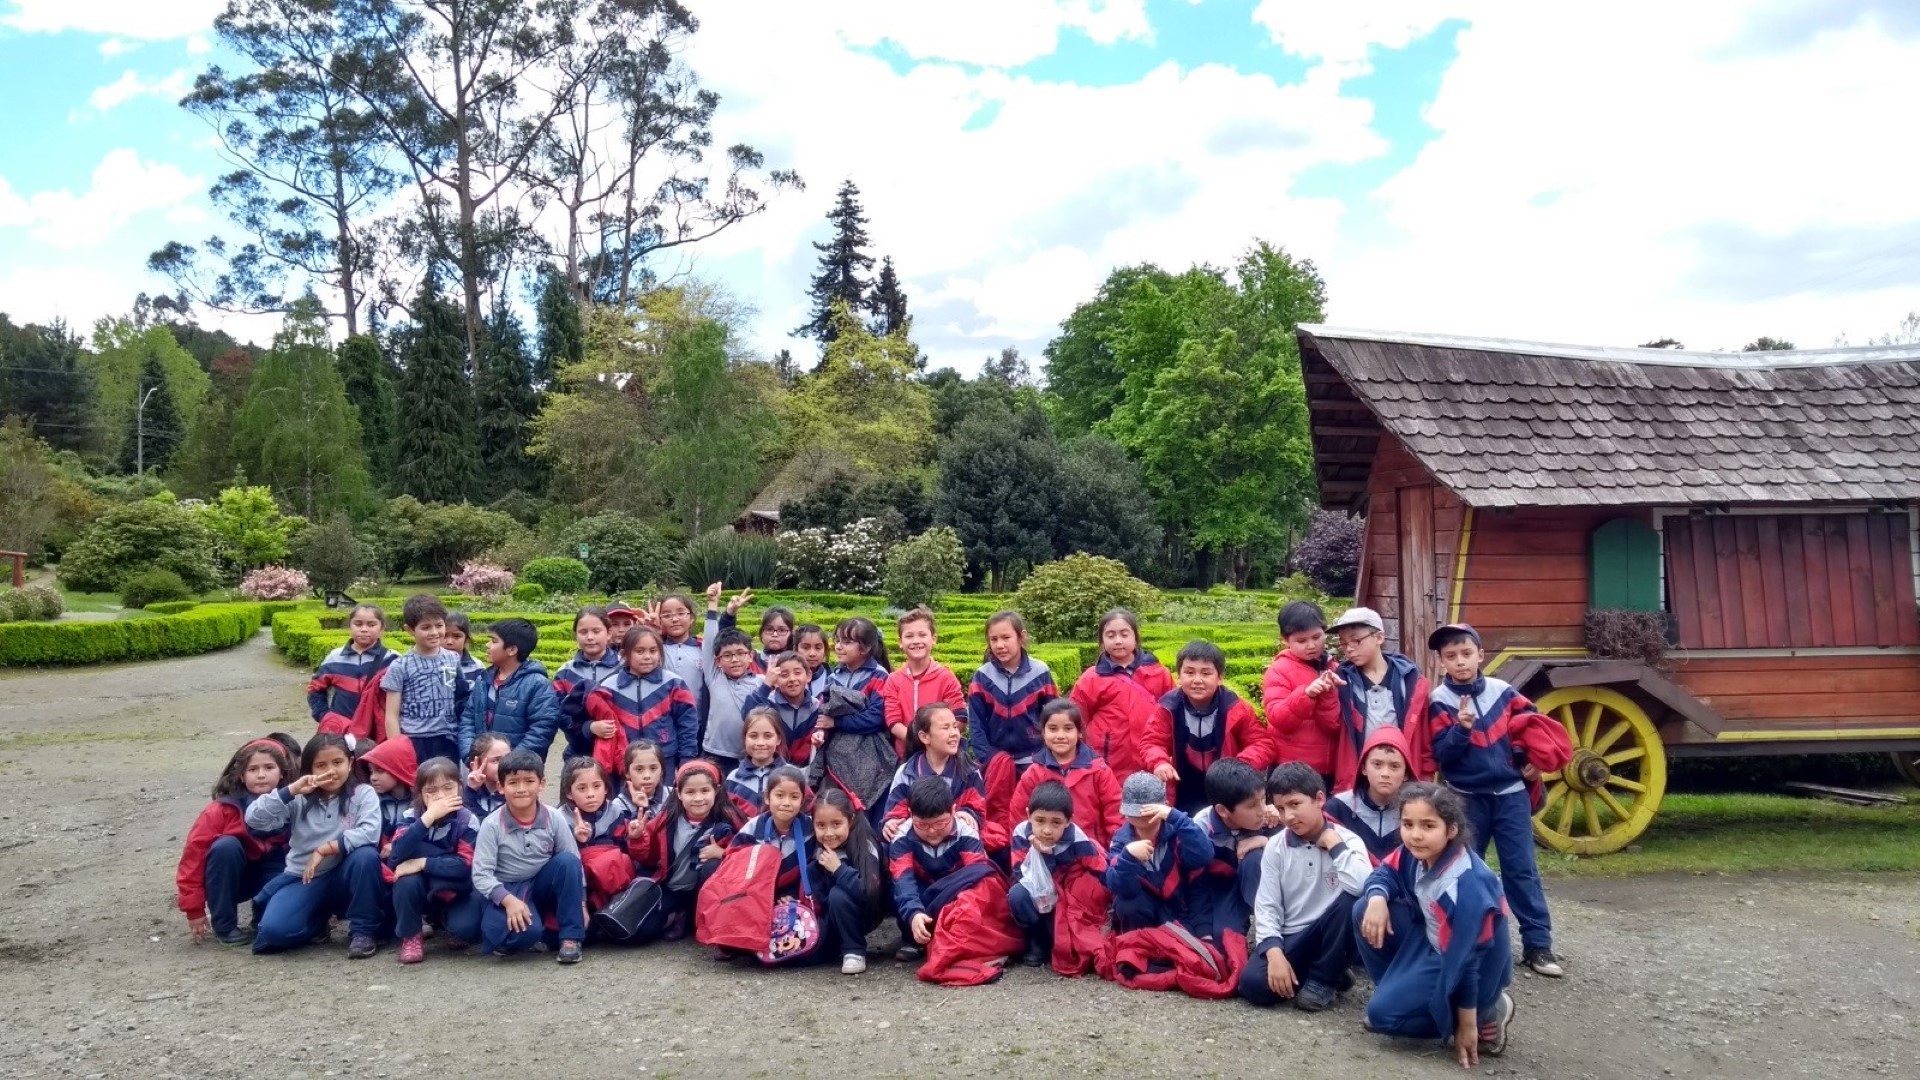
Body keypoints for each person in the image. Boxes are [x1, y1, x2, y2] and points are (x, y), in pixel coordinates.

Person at [1428, 623, 1571, 978]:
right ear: (1441, 662)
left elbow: (1529, 728)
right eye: (1451, 656)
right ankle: (1469, 943)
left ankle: (1538, 945)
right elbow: (1442, 755)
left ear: (1480, 654)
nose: (1460, 662)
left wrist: (1531, 761)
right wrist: (1461, 729)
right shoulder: (1439, 701)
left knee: (1522, 870)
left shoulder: (1504, 692)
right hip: (1466, 799)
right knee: (1466, 873)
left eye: (1466, 653)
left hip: (1511, 796)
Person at [1356, 783, 1516, 1067]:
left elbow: (1469, 961)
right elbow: (1386, 872)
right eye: (1408, 824)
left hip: (1472, 965)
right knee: (1363, 910)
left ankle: (1487, 1011)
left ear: (1451, 830)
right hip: (1435, 941)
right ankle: (1397, 993)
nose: (1415, 834)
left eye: (1428, 826)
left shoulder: (1465, 883)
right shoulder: (1416, 852)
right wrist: (1377, 898)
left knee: (1382, 1017)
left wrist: (1467, 1023)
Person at [1239, 763, 1370, 1011]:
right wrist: (1274, 952)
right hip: (1294, 936)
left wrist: (1336, 848)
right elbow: (1267, 905)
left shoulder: (1349, 841)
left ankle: (1324, 980)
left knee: (1353, 900)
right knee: (1253, 985)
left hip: (1332, 932)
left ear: (1319, 799)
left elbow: (1364, 886)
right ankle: (1332, 970)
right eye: (1281, 808)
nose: (1288, 816)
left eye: (1295, 804)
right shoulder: (1276, 847)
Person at [245, 733, 385, 956]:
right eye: (321, 765)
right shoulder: (298, 797)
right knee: (274, 932)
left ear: (350, 763)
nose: (331, 771)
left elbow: (369, 833)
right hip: (305, 877)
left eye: (338, 762)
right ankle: (317, 922)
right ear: (309, 768)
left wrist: (326, 848)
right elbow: (254, 819)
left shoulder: (363, 793)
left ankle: (363, 931)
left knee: (366, 856)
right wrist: (290, 791)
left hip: (346, 875)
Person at [727, 768, 868, 971]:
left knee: (814, 945)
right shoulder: (754, 827)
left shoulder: (813, 827)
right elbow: (737, 865)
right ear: (767, 797)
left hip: (802, 900)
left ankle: (841, 946)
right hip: (760, 896)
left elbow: (815, 874)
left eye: (794, 797)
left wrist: (793, 896)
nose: (786, 803)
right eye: (779, 795)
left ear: (803, 801)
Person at [470, 748, 586, 963]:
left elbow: (573, 860)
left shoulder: (554, 817)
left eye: (529, 781)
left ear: (542, 784)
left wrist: (582, 903)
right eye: (513, 783)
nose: (521, 789)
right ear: (501, 787)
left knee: (568, 861)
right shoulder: (492, 824)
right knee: (522, 935)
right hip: (508, 887)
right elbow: (481, 875)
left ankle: (571, 937)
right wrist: (508, 901)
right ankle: (535, 932)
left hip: (542, 883)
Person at [176, 738, 293, 945]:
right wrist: (193, 908)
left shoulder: (295, 803)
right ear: (241, 775)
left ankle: (262, 918)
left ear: (282, 772)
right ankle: (224, 925)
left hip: (273, 874)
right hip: (230, 878)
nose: (261, 775)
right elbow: (193, 857)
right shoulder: (220, 810)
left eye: (269, 767)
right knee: (226, 846)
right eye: (252, 769)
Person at [1142, 641, 1274, 815]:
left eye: (1206, 673)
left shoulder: (1236, 708)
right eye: (1189, 672)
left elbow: (1262, 744)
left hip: (1226, 789)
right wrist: (1159, 762)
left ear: (1220, 678)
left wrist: (1237, 766)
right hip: (1182, 789)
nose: (1197, 680)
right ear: (1179, 676)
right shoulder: (1168, 707)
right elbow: (1151, 741)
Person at [627, 760, 743, 942]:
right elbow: (647, 858)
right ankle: (679, 915)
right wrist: (637, 838)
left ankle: (701, 918)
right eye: (690, 792)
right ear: (678, 793)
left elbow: (748, 854)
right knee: (640, 933)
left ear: (717, 790)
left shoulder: (729, 820)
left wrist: (722, 853)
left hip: (705, 891)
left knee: (712, 865)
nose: (698, 798)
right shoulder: (666, 819)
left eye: (705, 791)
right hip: (672, 887)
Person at [968, 610, 1058, 835]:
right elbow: (976, 724)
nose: (1000, 645)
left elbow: (1053, 716)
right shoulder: (982, 677)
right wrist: (988, 757)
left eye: (1006, 637)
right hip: (995, 764)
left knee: (1032, 817)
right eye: (993, 639)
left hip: (1033, 760)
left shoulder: (1040, 672)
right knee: (997, 820)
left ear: (1021, 636)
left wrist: (1045, 754)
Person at [888, 776, 996, 963]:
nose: (931, 831)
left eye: (940, 823)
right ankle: (911, 938)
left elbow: (977, 875)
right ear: (910, 814)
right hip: (922, 891)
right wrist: (913, 913)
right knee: (894, 889)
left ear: (953, 811)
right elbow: (903, 880)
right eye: (922, 824)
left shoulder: (966, 832)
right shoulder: (902, 837)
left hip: (956, 890)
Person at [387, 755, 483, 964]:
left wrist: (422, 862)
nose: (440, 796)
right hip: (420, 887)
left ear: (459, 788)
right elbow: (396, 856)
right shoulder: (411, 816)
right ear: (420, 794)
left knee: (466, 929)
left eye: (448, 788)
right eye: (431, 791)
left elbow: (465, 866)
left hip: (455, 888)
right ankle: (411, 935)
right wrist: (427, 818)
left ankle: (446, 922)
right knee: (405, 880)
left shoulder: (467, 820)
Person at [1009, 779, 1108, 973]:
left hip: (1065, 896)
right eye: (1040, 821)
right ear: (1029, 815)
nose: (1047, 830)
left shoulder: (1077, 838)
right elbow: (1019, 872)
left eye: (1056, 823)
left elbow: (1098, 870)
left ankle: (1055, 938)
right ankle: (1037, 939)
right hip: (1037, 892)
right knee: (1017, 895)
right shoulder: (1021, 833)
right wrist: (1039, 853)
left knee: (1070, 945)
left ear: (1069, 820)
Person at [1328, 607, 1432, 790]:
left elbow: (1424, 736)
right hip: (1358, 779)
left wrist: (1425, 778)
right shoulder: (1341, 681)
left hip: (1402, 778)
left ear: (1379, 637)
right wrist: (1325, 695)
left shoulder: (1409, 680)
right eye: (1343, 643)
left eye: (1356, 641)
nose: (1349, 649)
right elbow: (1331, 726)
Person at [1105, 771, 1215, 938]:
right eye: (1135, 810)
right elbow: (1119, 888)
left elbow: (1204, 856)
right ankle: (1139, 947)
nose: (1142, 814)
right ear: (1124, 811)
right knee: (1126, 904)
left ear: (1165, 806)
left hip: (1183, 915)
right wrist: (1128, 857)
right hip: (1145, 916)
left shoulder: (1180, 831)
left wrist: (1175, 817)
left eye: (1148, 809)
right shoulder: (1120, 841)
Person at [1070, 608, 1173, 780]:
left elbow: (1172, 715)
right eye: (1110, 635)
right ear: (1102, 640)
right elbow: (1076, 719)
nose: (1118, 641)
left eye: (1124, 634)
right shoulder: (1091, 678)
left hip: (1152, 761)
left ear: (1135, 637)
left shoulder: (1158, 672)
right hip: (1108, 765)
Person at [587, 624, 698, 782]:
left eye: (653, 651)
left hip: (664, 760)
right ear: (624, 654)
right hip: (624, 763)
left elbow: (688, 723)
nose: (647, 657)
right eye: (640, 651)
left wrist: (686, 759)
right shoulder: (608, 687)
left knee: (663, 797)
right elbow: (589, 719)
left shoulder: (673, 683)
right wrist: (591, 727)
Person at [1009, 699, 1122, 849]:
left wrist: (1116, 851)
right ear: (1043, 732)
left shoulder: (1099, 771)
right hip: (1045, 851)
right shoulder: (1033, 774)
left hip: (1091, 852)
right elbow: (1018, 817)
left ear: (1079, 732)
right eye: (1053, 729)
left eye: (1068, 728)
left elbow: (1116, 815)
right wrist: (1030, 841)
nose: (1060, 735)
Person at [812, 617, 893, 821]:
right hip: (837, 755)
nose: (838, 646)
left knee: (864, 812)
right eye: (837, 640)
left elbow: (876, 718)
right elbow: (824, 711)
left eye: (847, 642)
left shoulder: (879, 676)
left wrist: (838, 723)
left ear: (865, 648)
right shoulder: (834, 676)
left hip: (869, 756)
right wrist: (820, 732)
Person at [1190, 758, 1277, 947]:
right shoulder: (1201, 828)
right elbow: (1196, 882)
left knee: (1255, 858)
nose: (1262, 810)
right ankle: (1239, 922)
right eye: (1252, 805)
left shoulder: (1271, 816)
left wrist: (1268, 841)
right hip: (1219, 889)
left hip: (1262, 886)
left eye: (1263, 799)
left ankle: (1270, 925)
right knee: (1221, 939)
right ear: (1223, 810)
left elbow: (1304, 848)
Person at [880, 703, 989, 845]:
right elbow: (895, 810)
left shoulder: (969, 771)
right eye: (945, 728)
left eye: (955, 726)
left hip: (958, 843)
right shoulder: (907, 772)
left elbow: (978, 808)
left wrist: (969, 814)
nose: (954, 733)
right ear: (924, 737)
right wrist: (891, 822)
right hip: (917, 844)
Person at [1261, 600, 1343, 787]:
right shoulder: (1279, 670)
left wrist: (1328, 695)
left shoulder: (1334, 668)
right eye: (1301, 641)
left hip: (1329, 769)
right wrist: (1306, 695)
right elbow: (1278, 718)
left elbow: (1334, 725)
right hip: (1290, 770)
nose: (1311, 645)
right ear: (1285, 640)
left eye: (1316, 637)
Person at [810, 786, 891, 973]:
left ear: (851, 820)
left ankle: (854, 950)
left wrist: (839, 869)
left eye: (836, 824)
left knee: (838, 895)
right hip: (830, 915)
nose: (828, 833)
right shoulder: (815, 847)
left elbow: (870, 891)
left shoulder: (866, 845)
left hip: (866, 911)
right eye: (821, 825)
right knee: (808, 956)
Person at [455, 617, 559, 763]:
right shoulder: (483, 680)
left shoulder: (537, 685)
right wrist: (470, 757)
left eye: (494, 641)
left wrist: (508, 763)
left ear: (512, 650)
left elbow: (542, 730)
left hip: (518, 770)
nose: (487, 645)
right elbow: (468, 720)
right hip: (481, 767)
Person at [379, 595, 464, 765]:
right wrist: (396, 750)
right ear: (410, 630)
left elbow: (459, 697)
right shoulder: (400, 665)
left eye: (439, 625)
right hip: (414, 739)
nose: (434, 632)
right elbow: (391, 715)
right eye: (425, 627)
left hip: (448, 738)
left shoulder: (453, 658)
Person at [700, 584, 766, 775]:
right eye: (727, 655)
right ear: (717, 661)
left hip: (749, 754)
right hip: (714, 754)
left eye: (740, 653)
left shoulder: (761, 682)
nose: (735, 659)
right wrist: (713, 605)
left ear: (750, 656)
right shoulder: (715, 677)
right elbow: (709, 642)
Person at [307, 603, 394, 747]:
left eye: (371, 624)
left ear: (382, 628)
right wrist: (324, 715)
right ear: (350, 626)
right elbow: (315, 689)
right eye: (358, 624)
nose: (364, 629)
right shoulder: (335, 658)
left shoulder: (392, 659)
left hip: (377, 734)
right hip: (341, 732)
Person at [882, 607, 965, 758]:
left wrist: (936, 742)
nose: (916, 641)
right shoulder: (893, 680)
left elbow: (960, 717)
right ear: (900, 642)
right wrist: (918, 741)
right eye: (909, 636)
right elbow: (893, 721)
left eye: (922, 635)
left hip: (942, 756)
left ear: (933, 639)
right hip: (906, 756)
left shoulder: (946, 677)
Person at [1326, 725, 1417, 863]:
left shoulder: (1418, 812)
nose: (1385, 773)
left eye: (1394, 766)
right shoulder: (1338, 809)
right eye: (1377, 764)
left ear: (1406, 774)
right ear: (1364, 768)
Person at [559, 757, 634, 910]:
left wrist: (634, 837)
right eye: (582, 788)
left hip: (613, 878)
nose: (590, 794)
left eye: (596, 786)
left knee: (624, 860)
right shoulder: (560, 818)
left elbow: (622, 847)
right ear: (569, 793)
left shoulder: (614, 811)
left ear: (606, 788)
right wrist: (577, 841)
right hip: (581, 882)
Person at [553, 607, 621, 758]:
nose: (590, 637)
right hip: (579, 753)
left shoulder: (624, 668)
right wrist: (588, 728)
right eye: (583, 632)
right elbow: (559, 713)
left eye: (596, 631)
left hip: (619, 752)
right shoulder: (565, 673)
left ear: (609, 633)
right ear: (575, 635)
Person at [742, 651, 820, 766]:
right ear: (775, 680)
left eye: (797, 673)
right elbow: (747, 714)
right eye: (784, 675)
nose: (792, 679)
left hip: (805, 769)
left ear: (808, 675)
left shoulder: (816, 706)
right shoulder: (768, 703)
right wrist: (767, 684)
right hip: (771, 767)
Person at [361, 736, 419, 860]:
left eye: (379, 771)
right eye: (371, 771)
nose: (373, 777)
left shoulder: (420, 801)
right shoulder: (372, 800)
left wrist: (396, 845)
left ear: (398, 769)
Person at [725, 707, 788, 817]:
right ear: (745, 738)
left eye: (768, 736)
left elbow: (806, 814)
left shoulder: (792, 776)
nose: (760, 743)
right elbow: (726, 815)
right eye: (753, 736)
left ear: (778, 739)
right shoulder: (733, 779)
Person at [618, 739, 669, 823]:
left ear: (662, 771)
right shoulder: (618, 806)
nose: (647, 776)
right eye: (639, 769)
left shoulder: (672, 797)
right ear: (627, 772)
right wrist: (641, 808)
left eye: (653, 768)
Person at [462, 733, 510, 819]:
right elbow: (469, 822)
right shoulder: (469, 795)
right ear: (477, 764)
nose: (505, 764)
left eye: (508, 757)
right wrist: (471, 790)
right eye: (496, 760)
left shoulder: (515, 793)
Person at [442, 613, 486, 698]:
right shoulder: (427, 665)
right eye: (444, 635)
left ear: (466, 640)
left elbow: (480, 697)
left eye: (457, 636)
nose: (449, 642)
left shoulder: (477, 666)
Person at [793, 624, 830, 701]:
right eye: (806, 648)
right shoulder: (787, 678)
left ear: (825, 650)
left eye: (818, 648)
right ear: (795, 649)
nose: (812, 654)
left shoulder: (833, 679)